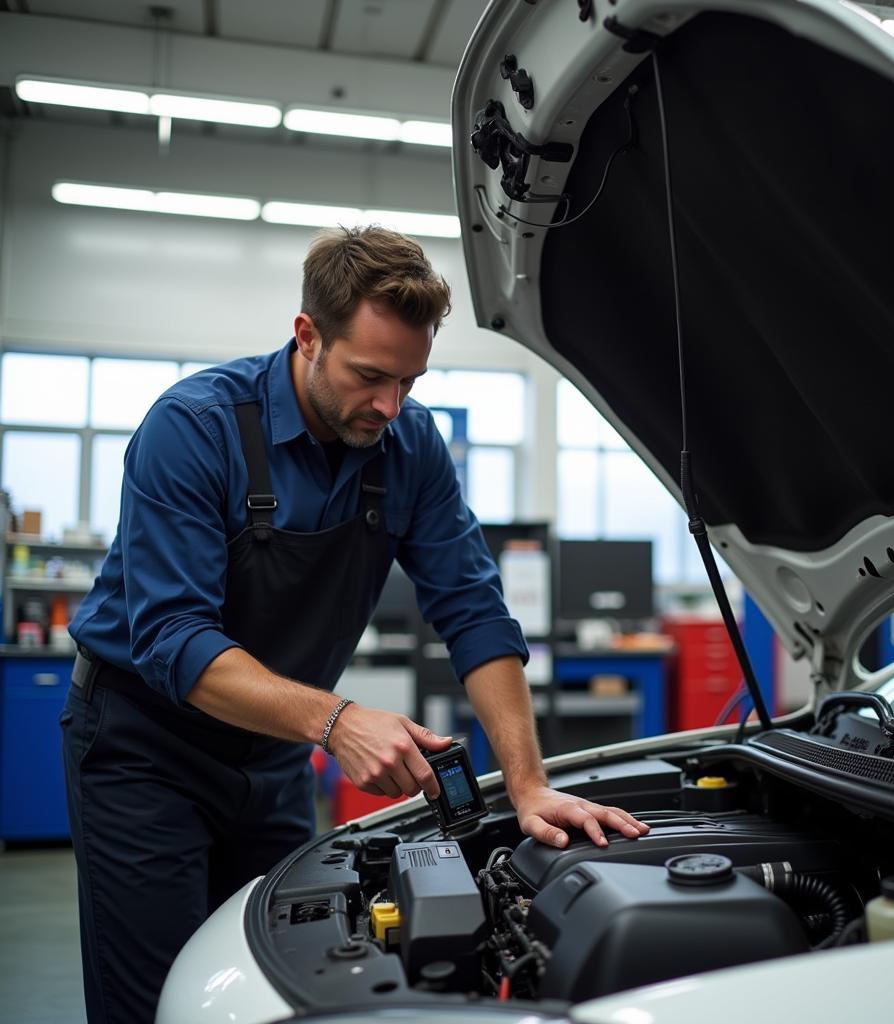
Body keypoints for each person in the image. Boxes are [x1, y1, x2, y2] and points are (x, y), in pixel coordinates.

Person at [61, 225, 649, 1023]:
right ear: (307, 336)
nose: (390, 405)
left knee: (276, 985)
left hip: (270, 755)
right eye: (370, 376)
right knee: (158, 998)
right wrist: (337, 721)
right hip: (144, 749)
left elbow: (473, 610)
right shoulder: (195, 430)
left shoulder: (409, 443)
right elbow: (173, 639)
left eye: (409, 380)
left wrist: (528, 782)